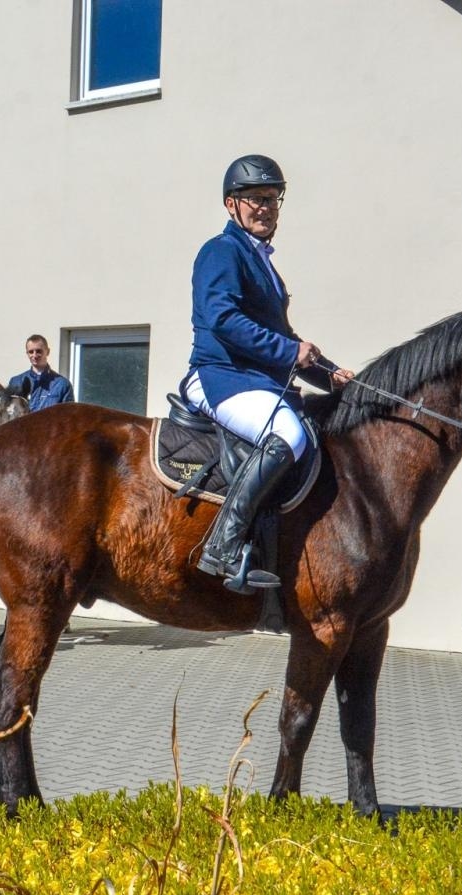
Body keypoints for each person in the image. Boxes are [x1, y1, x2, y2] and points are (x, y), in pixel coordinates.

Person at [182, 154, 354, 593]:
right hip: (220, 376)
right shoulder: (221, 251)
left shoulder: (262, 263)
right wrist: (290, 350)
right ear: (230, 204)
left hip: (253, 381)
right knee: (289, 435)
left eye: (273, 199)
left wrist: (328, 375)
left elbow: (283, 339)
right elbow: (222, 319)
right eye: (255, 198)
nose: (266, 207)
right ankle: (222, 546)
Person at [6, 334, 73, 411]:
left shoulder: (62, 384)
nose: (34, 355)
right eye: (31, 352)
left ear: (47, 352)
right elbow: (8, 414)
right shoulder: (16, 382)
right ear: (27, 354)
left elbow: (69, 417)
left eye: (38, 351)